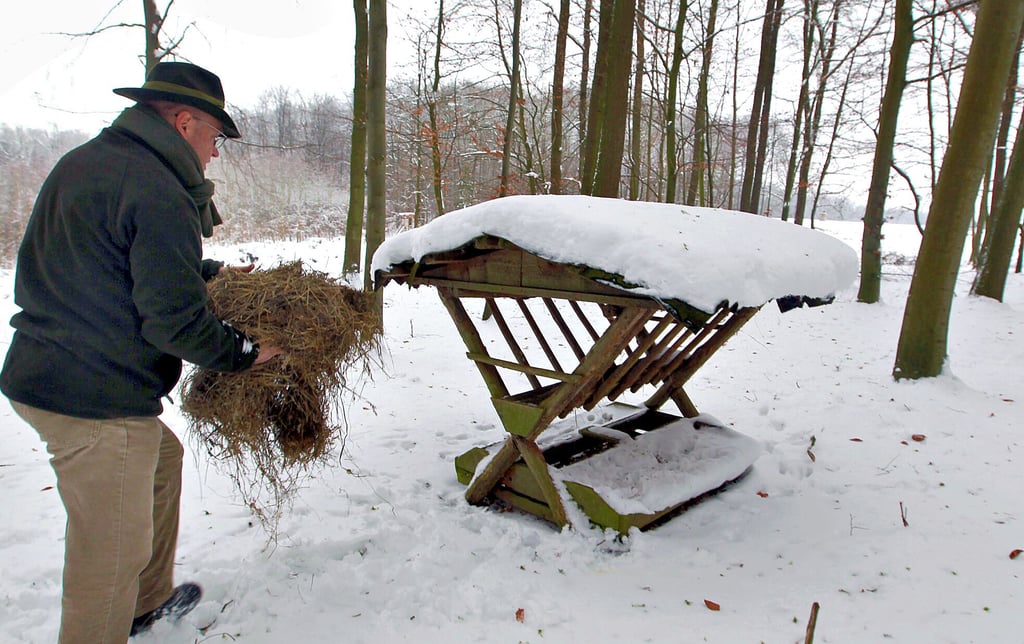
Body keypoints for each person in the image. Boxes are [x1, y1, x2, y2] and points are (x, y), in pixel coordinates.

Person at [0, 61, 283, 642]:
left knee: (163, 463)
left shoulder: (94, 163)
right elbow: (174, 322)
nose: (215, 154)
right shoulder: (157, 188)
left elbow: (106, 257)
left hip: (50, 368)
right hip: (94, 395)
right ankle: (111, 616)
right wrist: (245, 353)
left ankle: (145, 604)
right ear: (184, 123)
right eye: (214, 138)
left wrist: (206, 271)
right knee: (109, 557)